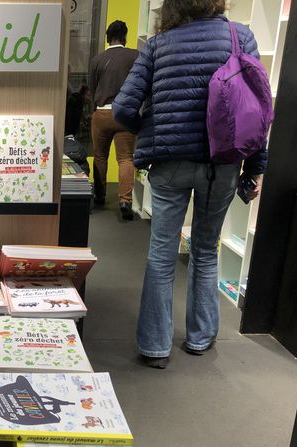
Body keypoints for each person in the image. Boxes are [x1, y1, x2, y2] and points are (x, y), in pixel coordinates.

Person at [113, 0, 267, 369]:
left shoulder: (158, 44)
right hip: (223, 163)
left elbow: (121, 108)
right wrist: (256, 167)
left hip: (170, 164)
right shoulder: (239, 36)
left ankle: (154, 347)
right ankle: (200, 338)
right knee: (205, 250)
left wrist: (151, 131)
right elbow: (258, 110)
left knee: (162, 253)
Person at [88, 20, 138, 219]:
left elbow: (92, 88)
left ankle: (99, 196)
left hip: (102, 113)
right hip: (125, 114)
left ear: (107, 38)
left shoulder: (97, 60)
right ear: (125, 37)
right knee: (125, 158)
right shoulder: (135, 56)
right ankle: (125, 201)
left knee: (100, 156)